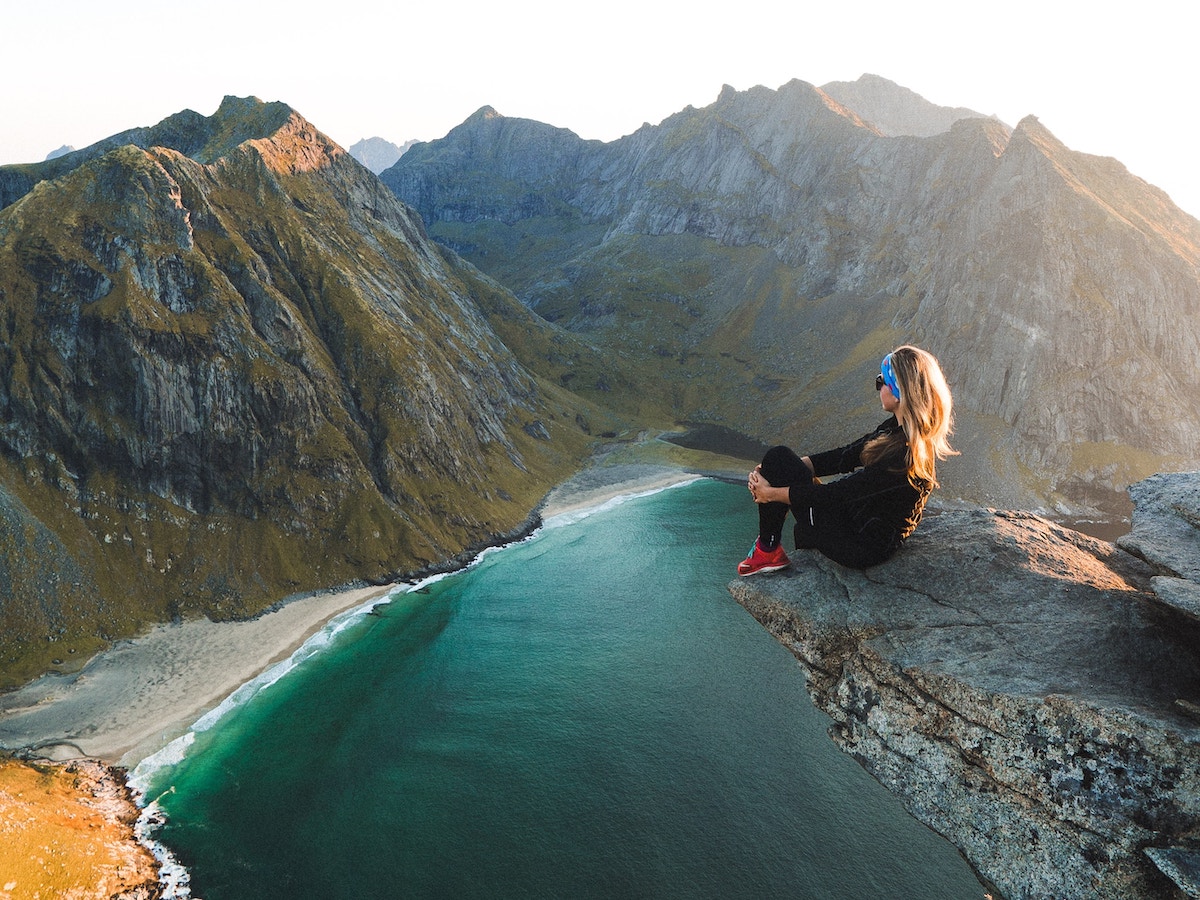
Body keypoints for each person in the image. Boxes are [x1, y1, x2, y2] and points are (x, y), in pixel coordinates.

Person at [738, 345, 956, 574]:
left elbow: (835, 495)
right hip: (855, 520)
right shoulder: (896, 430)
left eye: (881, 381)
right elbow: (846, 456)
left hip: (860, 546)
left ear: (899, 391)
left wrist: (770, 493)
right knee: (778, 457)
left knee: (783, 468)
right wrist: (781, 469)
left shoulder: (902, 456)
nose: (878, 388)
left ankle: (768, 550)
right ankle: (769, 549)